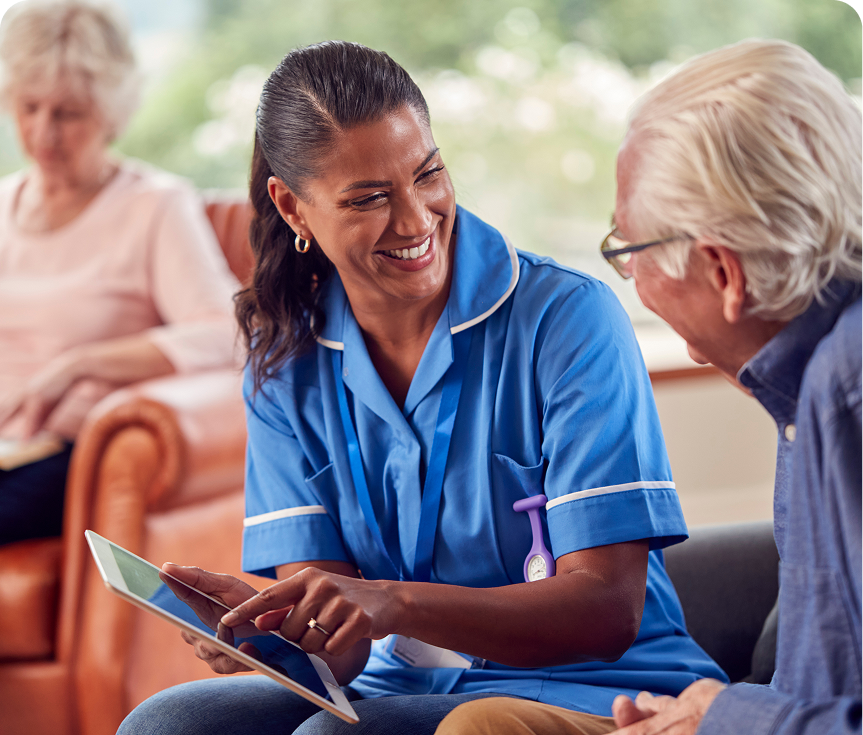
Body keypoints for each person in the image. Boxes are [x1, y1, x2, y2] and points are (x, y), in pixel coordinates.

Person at [117, 40, 724, 735]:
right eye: (369, 198)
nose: (414, 219)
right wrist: (270, 626)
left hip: (596, 685)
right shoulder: (285, 360)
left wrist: (392, 600)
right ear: (293, 208)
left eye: (427, 173)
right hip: (398, 684)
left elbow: (607, 612)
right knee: (169, 722)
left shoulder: (567, 320)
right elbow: (340, 653)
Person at [435, 38, 863, 735]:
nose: (625, 278)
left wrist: (728, 717)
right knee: (486, 725)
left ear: (723, 272)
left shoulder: (846, 388)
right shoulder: (801, 386)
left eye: (627, 250)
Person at [0, 0, 240, 545]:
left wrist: (81, 365)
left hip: (64, 453)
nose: (44, 132)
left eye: (68, 113)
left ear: (111, 112)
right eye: (29, 107)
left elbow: (230, 332)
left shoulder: (155, 206)